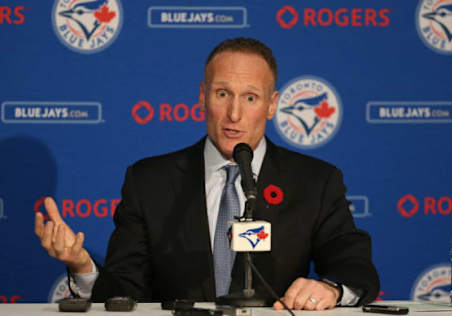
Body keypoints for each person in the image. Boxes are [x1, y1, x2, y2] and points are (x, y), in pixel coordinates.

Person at [34, 37, 379, 310]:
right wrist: (82, 266)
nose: (233, 114)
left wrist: (330, 288)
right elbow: (125, 293)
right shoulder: (149, 181)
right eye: (222, 93)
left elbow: (356, 268)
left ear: (272, 105)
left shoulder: (315, 182)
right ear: (202, 96)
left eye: (250, 98)